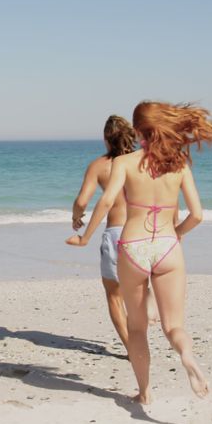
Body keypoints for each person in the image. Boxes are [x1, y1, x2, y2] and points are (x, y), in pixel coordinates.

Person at [67, 101, 212, 404]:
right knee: (174, 325)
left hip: (133, 248)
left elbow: (106, 201)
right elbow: (198, 215)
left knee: (137, 328)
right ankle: (186, 355)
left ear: (139, 131)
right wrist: (175, 235)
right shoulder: (179, 164)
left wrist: (85, 236)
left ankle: (145, 392)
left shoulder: (125, 164)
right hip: (167, 247)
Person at [71, 116, 158, 356]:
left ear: (105, 138)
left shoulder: (99, 166)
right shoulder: (145, 162)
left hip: (116, 233)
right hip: (143, 232)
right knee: (140, 287)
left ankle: (132, 348)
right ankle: (145, 324)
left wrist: (76, 217)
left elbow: (82, 201)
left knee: (114, 296)